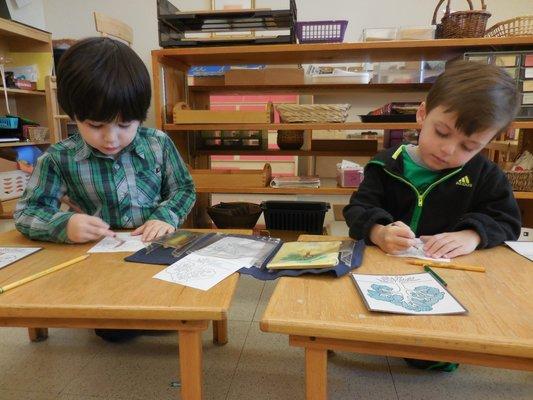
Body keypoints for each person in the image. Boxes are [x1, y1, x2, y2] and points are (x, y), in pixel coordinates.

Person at [14, 37, 196, 342]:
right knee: (114, 328)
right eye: (95, 125)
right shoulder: (60, 157)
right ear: (74, 117)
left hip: (156, 245)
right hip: (99, 256)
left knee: (185, 304)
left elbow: (184, 189)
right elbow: (27, 213)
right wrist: (65, 224)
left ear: (141, 114)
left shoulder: (157, 143)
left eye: (125, 125)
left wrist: (166, 215)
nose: (111, 138)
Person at [343, 60, 521, 371]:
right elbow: (357, 209)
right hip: (383, 273)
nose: (449, 151)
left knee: (429, 359)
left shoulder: (485, 175)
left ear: (487, 144)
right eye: (441, 133)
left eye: (469, 146)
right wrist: (379, 232)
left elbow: (508, 221)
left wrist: (472, 234)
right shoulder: (386, 164)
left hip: (451, 280)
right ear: (423, 114)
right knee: (342, 322)